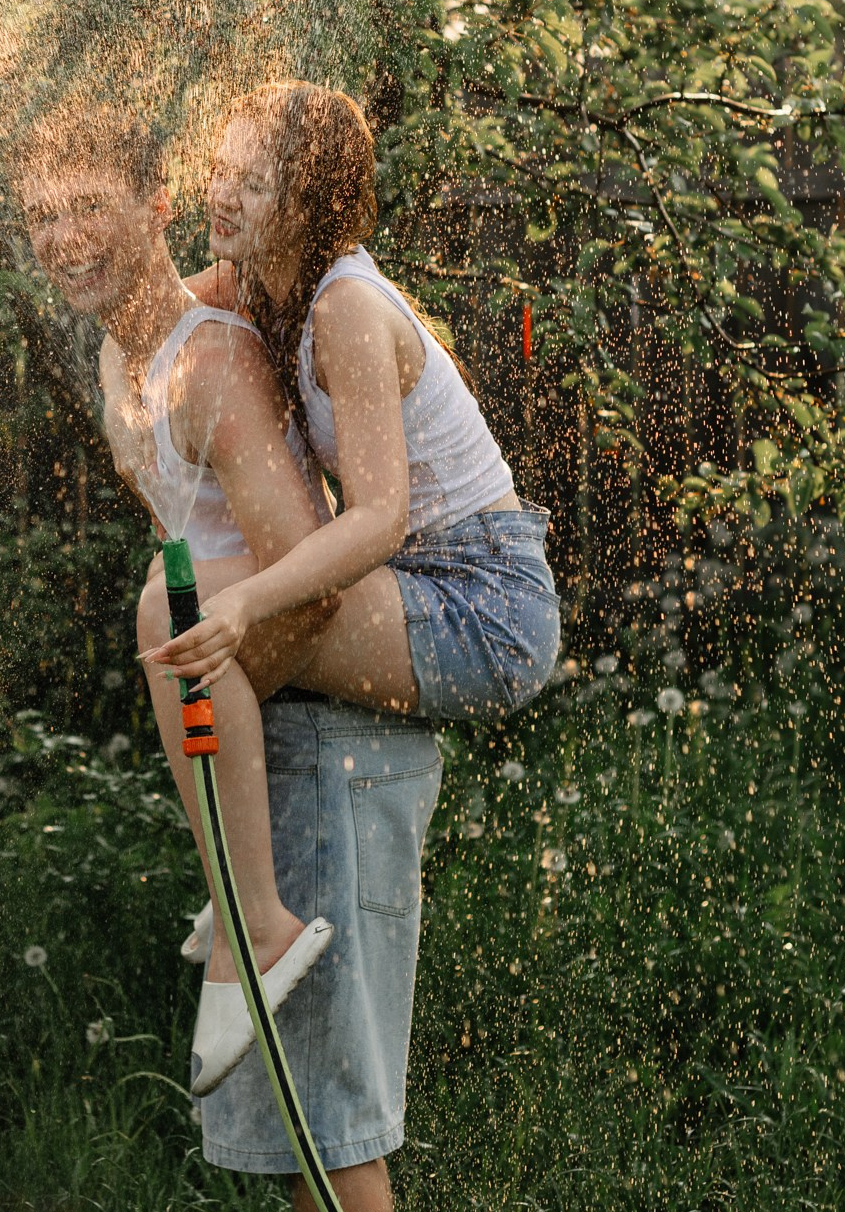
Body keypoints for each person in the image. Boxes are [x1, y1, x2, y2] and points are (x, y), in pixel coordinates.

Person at [143, 76, 560, 910]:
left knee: (183, 616)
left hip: (486, 604)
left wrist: (249, 604)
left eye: (252, 184)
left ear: (308, 206)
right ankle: (245, 891)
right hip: (421, 582)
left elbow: (380, 517)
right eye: (220, 169)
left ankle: (250, 910)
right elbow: (153, 311)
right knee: (176, 612)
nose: (221, 195)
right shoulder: (262, 277)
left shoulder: (345, 308)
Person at [14, 105, 342, 1103]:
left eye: (87, 208)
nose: (63, 240)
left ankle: (261, 920)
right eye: (40, 216)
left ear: (158, 209)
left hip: (295, 690)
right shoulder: (122, 359)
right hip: (240, 705)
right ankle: (236, 894)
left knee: (165, 605)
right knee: (167, 591)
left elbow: (304, 566)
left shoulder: (212, 369)